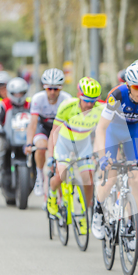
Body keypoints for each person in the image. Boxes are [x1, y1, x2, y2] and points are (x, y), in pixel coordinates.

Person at [93, 62, 138, 249]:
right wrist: (102, 157)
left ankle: (132, 226)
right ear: (128, 85)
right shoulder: (116, 95)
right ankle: (98, 210)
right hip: (113, 130)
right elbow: (101, 128)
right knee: (111, 176)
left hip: (134, 131)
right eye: (135, 86)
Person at [46, 77, 104, 234]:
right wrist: (52, 156)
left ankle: (87, 208)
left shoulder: (100, 109)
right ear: (79, 95)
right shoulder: (67, 106)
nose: (89, 104)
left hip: (83, 145)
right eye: (86, 100)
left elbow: (103, 133)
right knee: (61, 175)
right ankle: (52, 195)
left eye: (93, 101)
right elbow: (54, 132)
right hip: (64, 143)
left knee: (88, 178)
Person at [25, 68, 72, 196]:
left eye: (55, 89)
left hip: (59, 128)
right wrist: (29, 143)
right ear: (44, 88)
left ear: (61, 88)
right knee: (40, 147)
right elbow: (33, 123)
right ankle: (39, 176)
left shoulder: (67, 99)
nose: (52, 92)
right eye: (49, 89)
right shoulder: (38, 98)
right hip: (43, 126)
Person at [0, 78, 31, 184]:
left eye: (21, 93)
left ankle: (37, 173)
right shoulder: (3, 104)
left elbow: (35, 119)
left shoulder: (29, 104)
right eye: (15, 94)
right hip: (8, 135)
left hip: (25, 136)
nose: (18, 96)